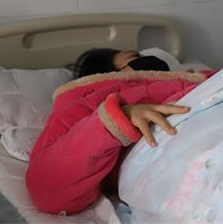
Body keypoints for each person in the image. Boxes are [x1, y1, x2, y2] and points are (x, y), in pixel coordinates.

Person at [26, 48, 213, 215]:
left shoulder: (198, 77)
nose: (146, 59)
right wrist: (117, 119)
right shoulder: (79, 105)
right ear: (104, 73)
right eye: (134, 57)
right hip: (189, 161)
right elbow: (47, 187)